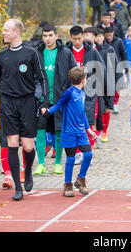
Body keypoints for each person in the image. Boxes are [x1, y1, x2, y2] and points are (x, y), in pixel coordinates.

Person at [0, 19, 50, 201]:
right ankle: (18, 188)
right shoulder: (1, 55)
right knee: (12, 143)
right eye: (3, 30)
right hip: (7, 104)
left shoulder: (31, 53)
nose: (3, 33)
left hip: (27, 102)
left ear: (16, 32)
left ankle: (27, 170)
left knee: (28, 146)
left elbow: (43, 78)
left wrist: (44, 102)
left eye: (6, 30)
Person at [42, 67, 97, 197]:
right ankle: (67, 185)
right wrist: (49, 111)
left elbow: (82, 112)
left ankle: (80, 179)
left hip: (81, 132)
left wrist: (88, 128)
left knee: (88, 154)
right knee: (71, 159)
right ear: (84, 80)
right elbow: (59, 104)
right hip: (69, 132)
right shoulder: (69, 92)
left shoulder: (82, 94)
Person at [33, 24, 78, 175]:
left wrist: (71, 95)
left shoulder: (65, 53)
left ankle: (58, 163)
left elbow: (74, 74)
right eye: (45, 36)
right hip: (41, 99)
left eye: (50, 35)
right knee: (40, 131)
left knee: (59, 131)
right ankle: (41, 164)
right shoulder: (37, 53)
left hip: (60, 99)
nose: (48, 38)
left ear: (56, 35)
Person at [66, 26, 106, 155]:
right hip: (72, 94)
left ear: (83, 36)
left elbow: (101, 69)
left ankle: (89, 151)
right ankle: (77, 152)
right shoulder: (66, 51)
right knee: (75, 125)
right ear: (70, 38)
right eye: (74, 39)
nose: (77, 41)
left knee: (89, 123)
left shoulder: (91, 51)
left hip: (89, 93)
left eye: (79, 38)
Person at [93, 28, 117, 143]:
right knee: (98, 108)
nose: (98, 38)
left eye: (100, 36)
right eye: (96, 36)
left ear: (103, 37)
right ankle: (97, 132)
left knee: (106, 108)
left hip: (108, 82)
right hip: (95, 83)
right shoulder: (92, 50)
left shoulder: (109, 49)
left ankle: (105, 131)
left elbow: (115, 66)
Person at [104, 26, 127, 114]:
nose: (108, 37)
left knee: (117, 86)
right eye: (107, 36)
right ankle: (108, 103)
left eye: (110, 35)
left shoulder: (118, 41)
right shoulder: (103, 42)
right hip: (106, 66)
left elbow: (123, 53)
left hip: (116, 66)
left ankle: (115, 103)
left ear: (113, 33)